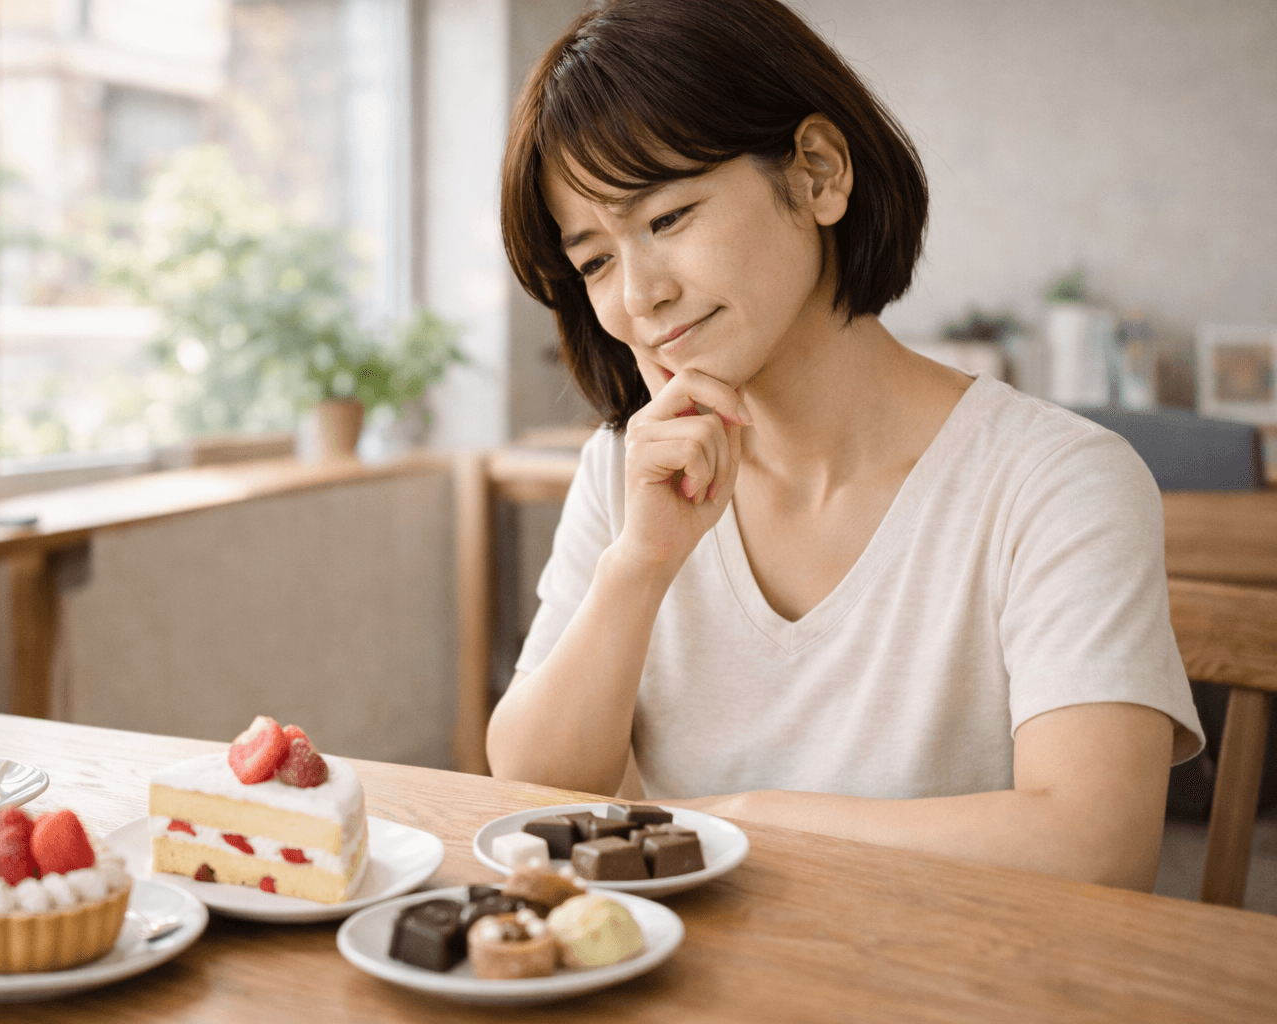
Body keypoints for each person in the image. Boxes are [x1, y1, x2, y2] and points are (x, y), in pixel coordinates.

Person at [486, 0, 1202, 892]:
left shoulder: (1059, 481)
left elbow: (1097, 846)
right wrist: (640, 563)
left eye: (667, 218)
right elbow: (527, 786)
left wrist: (740, 824)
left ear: (818, 174)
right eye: (594, 260)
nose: (640, 296)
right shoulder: (631, 471)